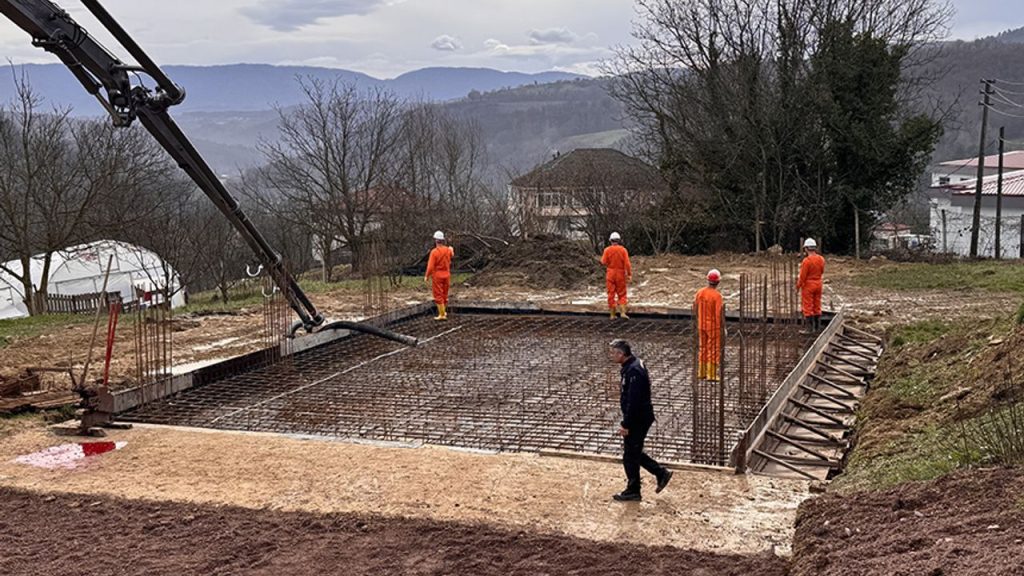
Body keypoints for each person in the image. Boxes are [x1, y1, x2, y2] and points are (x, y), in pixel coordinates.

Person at [608, 339, 672, 502]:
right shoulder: (632, 365)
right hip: (640, 416)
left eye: (613, 352)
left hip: (639, 418)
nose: (611, 356)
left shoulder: (634, 371)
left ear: (621, 354)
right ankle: (660, 473)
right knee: (633, 451)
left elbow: (633, 401)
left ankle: (634, 489)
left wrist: (626, 424)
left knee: (630, 454)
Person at [694, 269, 724, 381]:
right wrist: (722, 327)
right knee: (714, 349)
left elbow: (695, 308)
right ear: (718, 282)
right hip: (713, 327)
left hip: (701, 325)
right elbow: (718, 314)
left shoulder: (700, 292)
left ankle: (701, 372)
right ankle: (711, 374)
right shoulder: (717, 296)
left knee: (703, 348)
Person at [601, 232, 632, 319]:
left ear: (610, 240)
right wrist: (629, 274)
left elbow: (603, 262)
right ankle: (622, 313)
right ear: (619, 240)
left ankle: (612, 314)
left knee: (611, 294)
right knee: (622, 294)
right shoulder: (623, 250)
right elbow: (627, 264)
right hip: (620, 274)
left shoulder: (607, 250)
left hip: (610, 273)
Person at [425, 230, 454, 321]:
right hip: (447, 275)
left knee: (438, 294)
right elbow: (452, 254)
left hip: (437, 275)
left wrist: (427, 275)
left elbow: (430, 266)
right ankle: (444, 311)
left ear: (436, 240)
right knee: (444, 294)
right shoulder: (448, 250)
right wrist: (451, 249)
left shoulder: (434, 252)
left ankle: (442, 315)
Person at [797, 238, 825, 332]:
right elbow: (822, 271)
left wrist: (798, 286)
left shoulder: (806, 261)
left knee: (807, 306)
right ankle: (817, 327)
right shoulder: (821, 259)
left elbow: (802, 276)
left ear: (806, 249)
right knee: (817, 305)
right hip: (818, 283)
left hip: (809, 285)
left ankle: (809, 329)